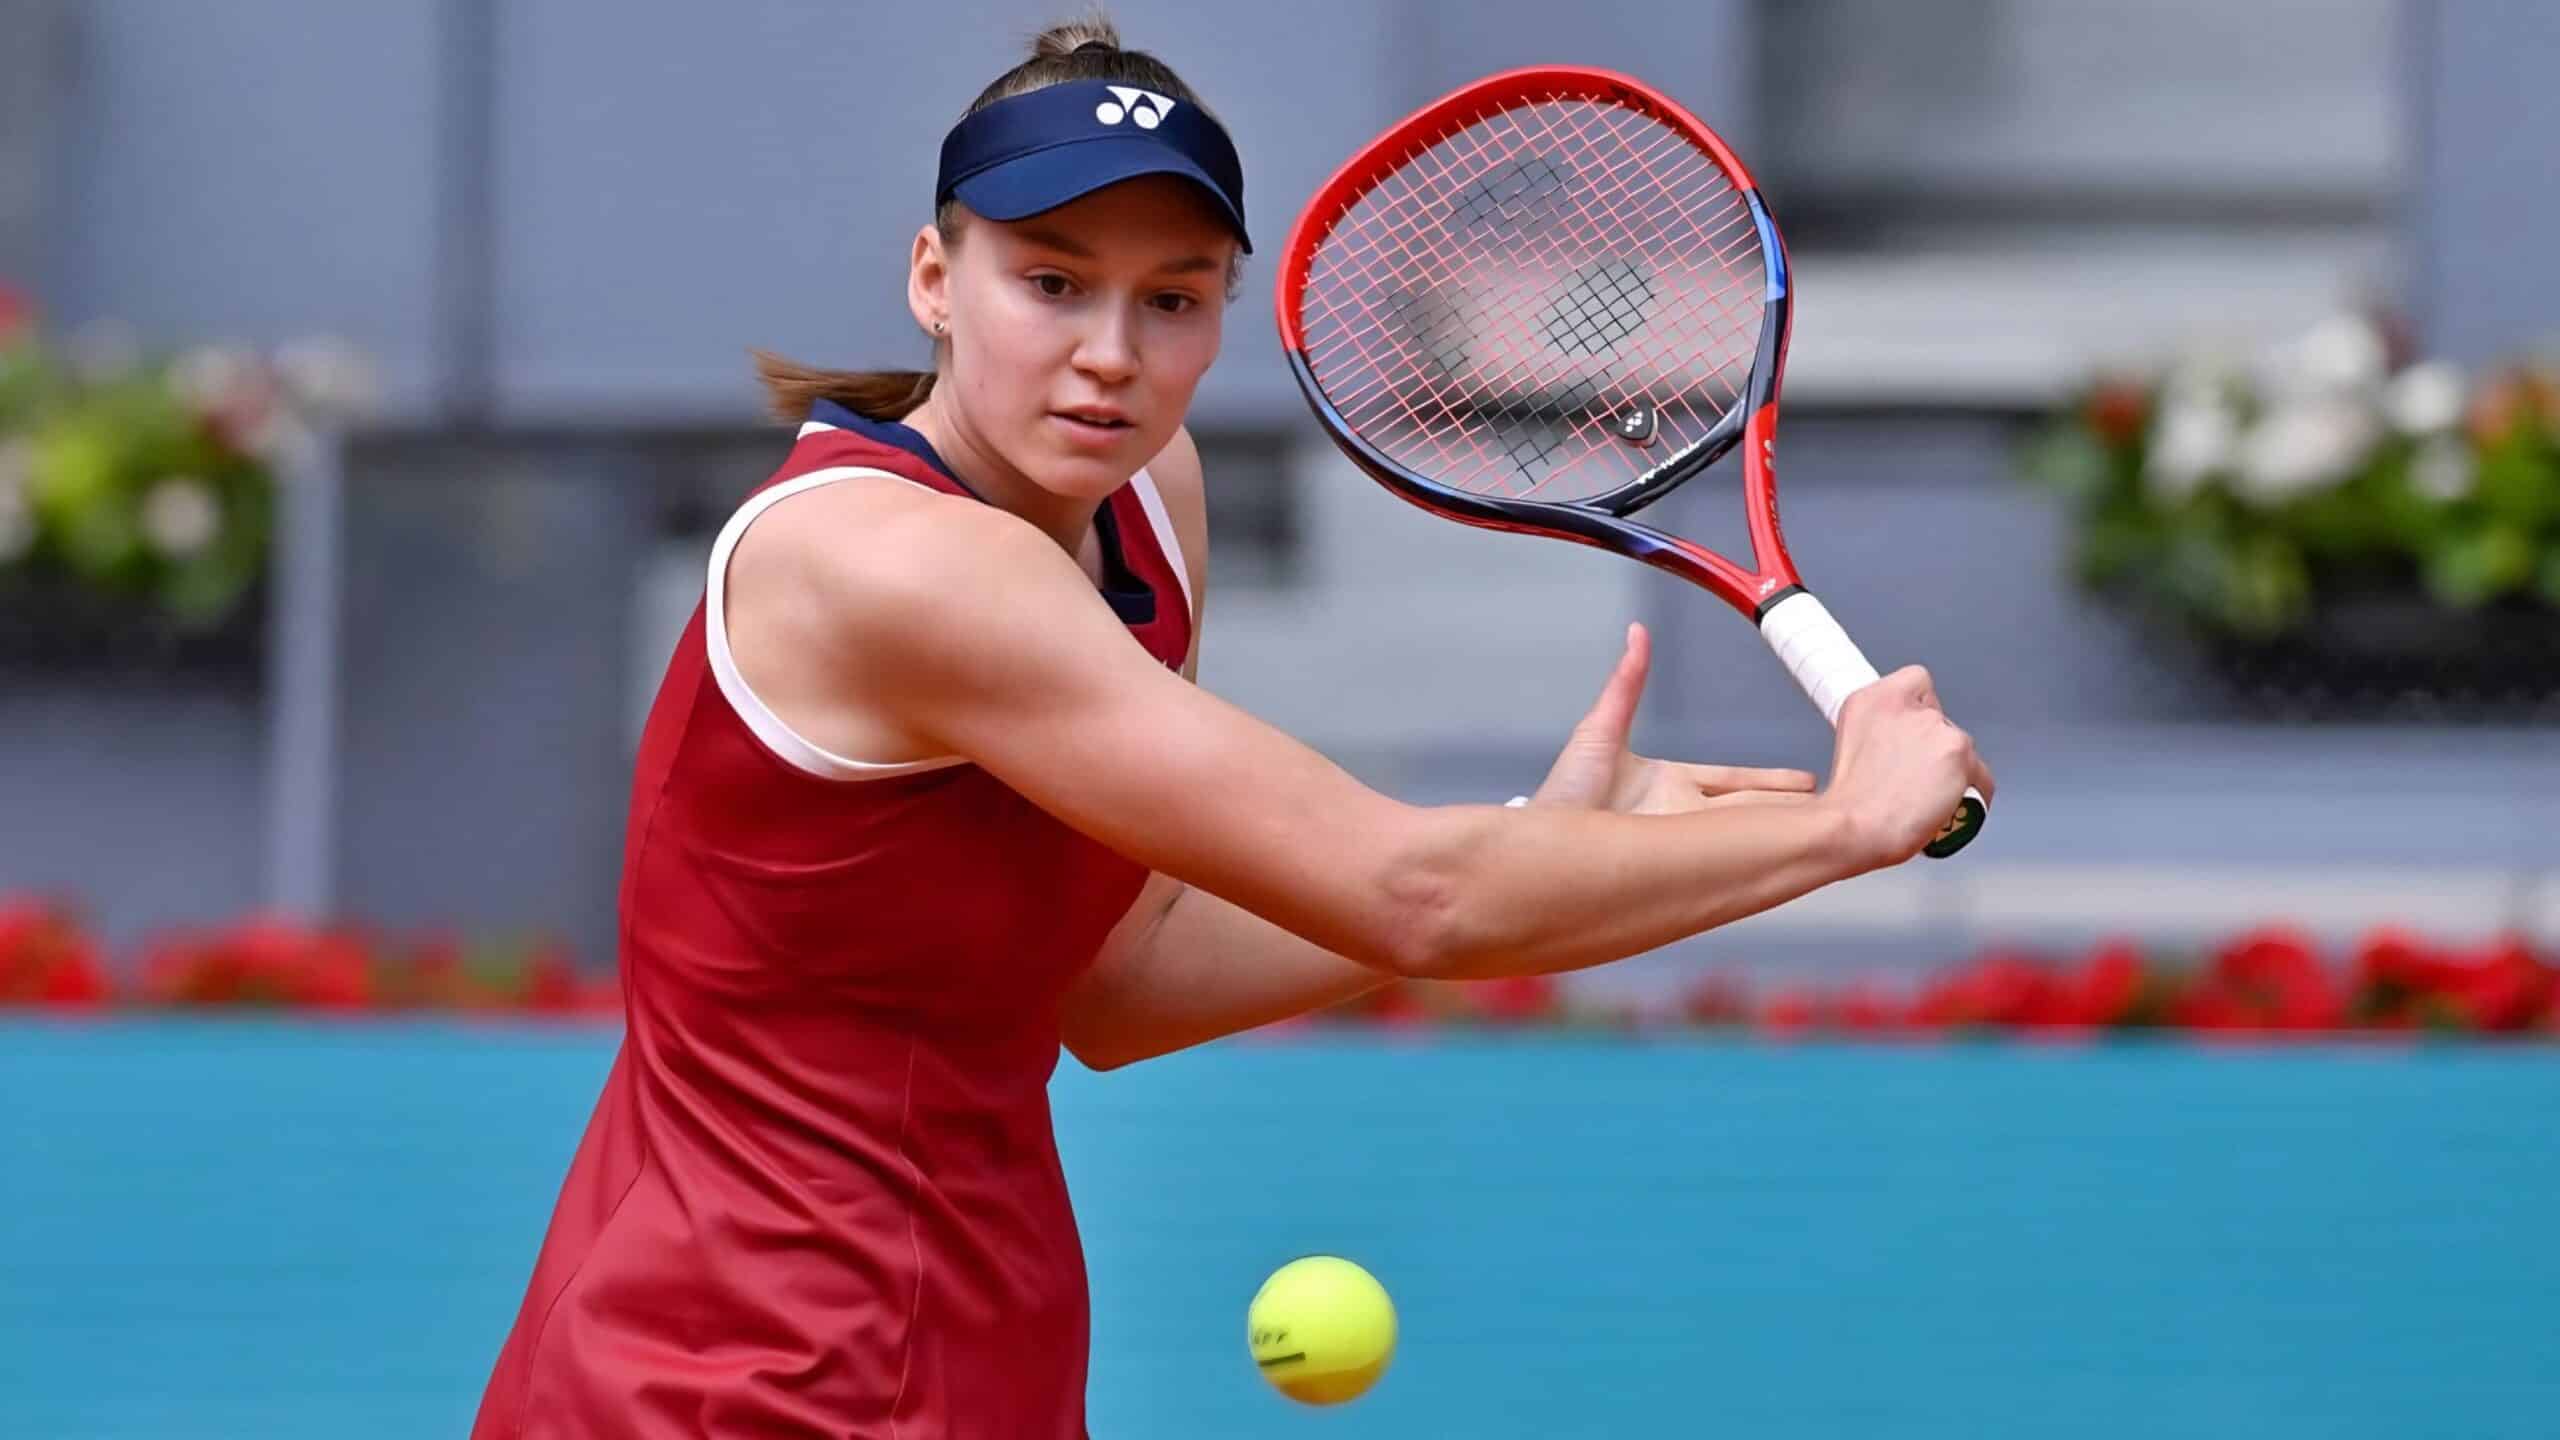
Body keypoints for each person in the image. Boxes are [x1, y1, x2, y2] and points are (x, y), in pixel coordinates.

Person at [470, 17, 1992, 1438]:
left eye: (1173, 299)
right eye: (1051, 283)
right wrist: (1847, 826)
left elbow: (1119, 984)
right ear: (934, 278)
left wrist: (1553, 841)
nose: (1112, 352)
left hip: (965, 1357)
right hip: (727, 1381)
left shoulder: (1146, 501)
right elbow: (1412, 896)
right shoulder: (892, 565)